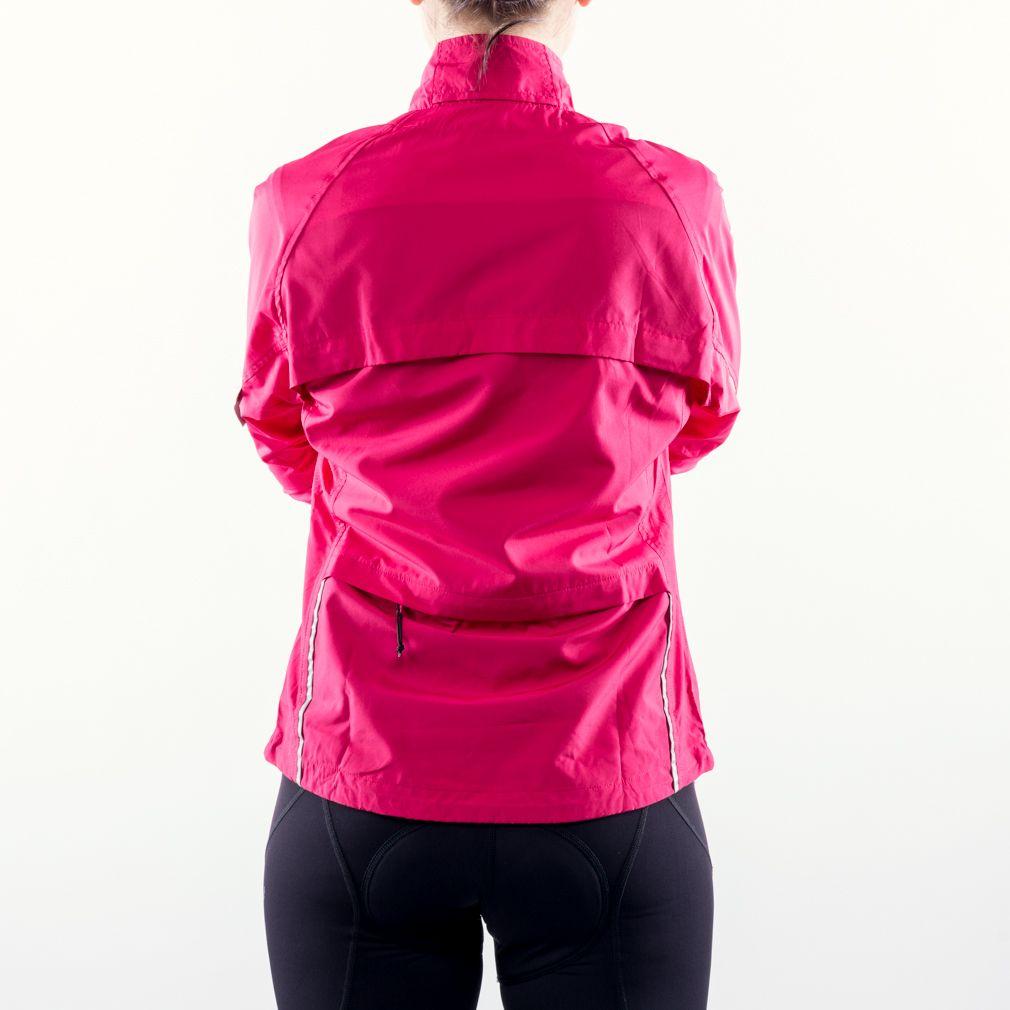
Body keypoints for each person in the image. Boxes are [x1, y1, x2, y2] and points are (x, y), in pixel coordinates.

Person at [235, 1, 741, 1006]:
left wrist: (407, 496)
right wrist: (578, 471)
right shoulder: (671, 200)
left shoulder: (305, 199)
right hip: (605, 762)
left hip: (365, 758)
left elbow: (282, 430)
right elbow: (700, 421)